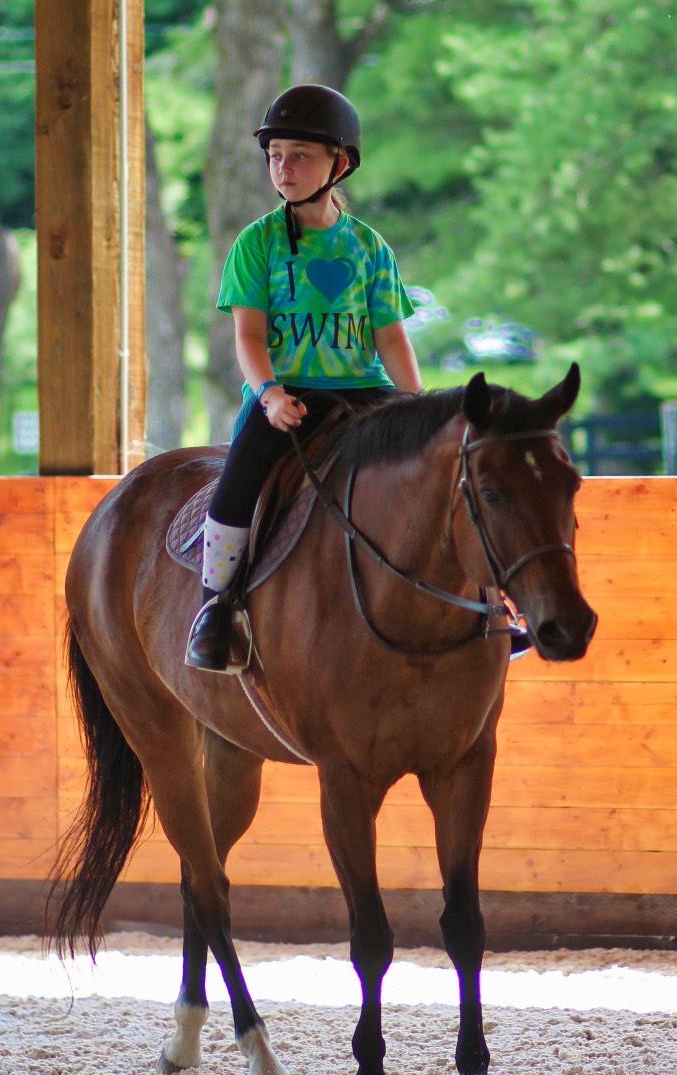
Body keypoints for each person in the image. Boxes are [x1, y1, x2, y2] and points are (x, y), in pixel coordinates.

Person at [185, 83, 423, 672]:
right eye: (274, 156)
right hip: (286, 396)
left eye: (298, 155)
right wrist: (267, 394)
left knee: (437, 478)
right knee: (235, 489)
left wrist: (414, 406)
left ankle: (484, 604)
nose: (282, 168)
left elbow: (390, 337)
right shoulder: (257, 244)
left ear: (338, 164)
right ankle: (217, 609)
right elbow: (248, 336)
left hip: (363, 395)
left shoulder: (370, 249)